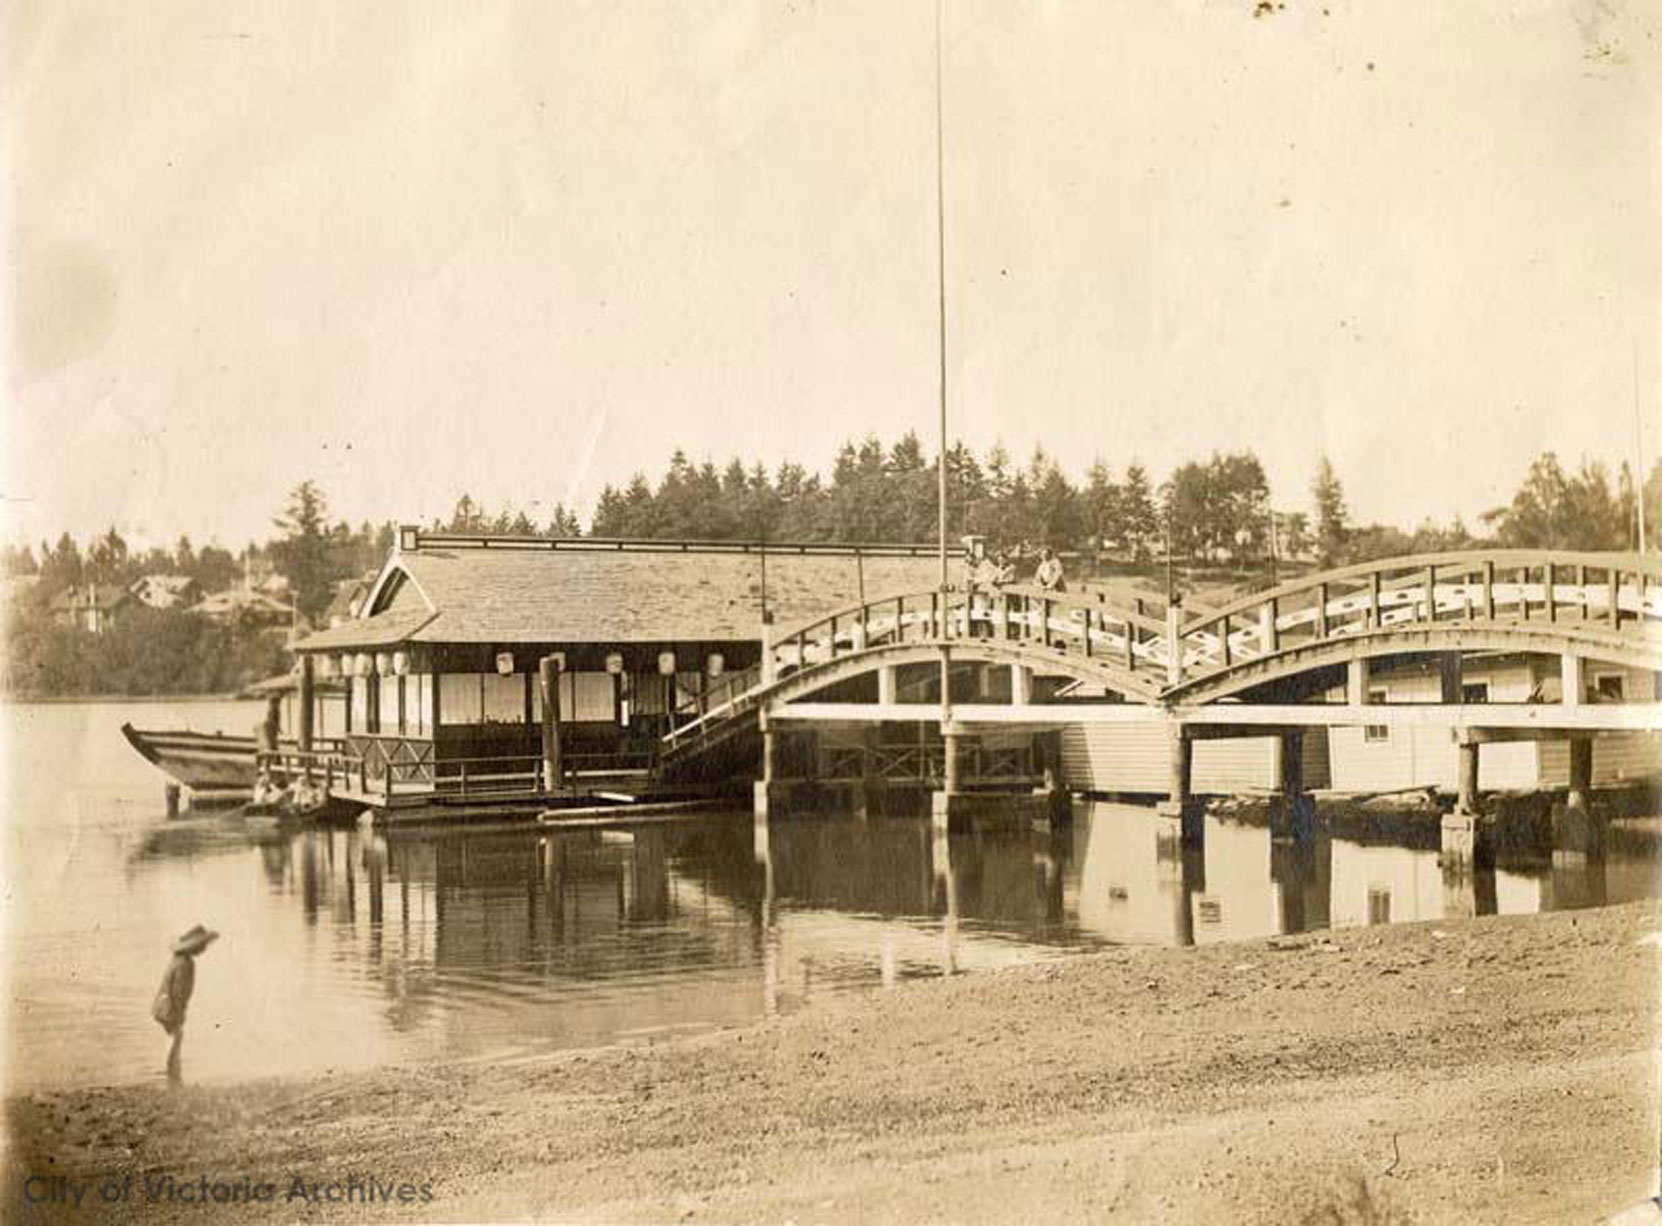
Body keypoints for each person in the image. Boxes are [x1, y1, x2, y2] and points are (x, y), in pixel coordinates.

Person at [152, 923, 218, 1085]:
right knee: (176, 1036)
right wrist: (180, 1012)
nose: (204, 948)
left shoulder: (177, 959)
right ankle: (171, 1073)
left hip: (162, 1005)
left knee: (174, 1036)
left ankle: (172, 1072)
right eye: (202, 945)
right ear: (194, 948)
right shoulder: (186, 964)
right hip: (170, 1006)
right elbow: (179, 992)